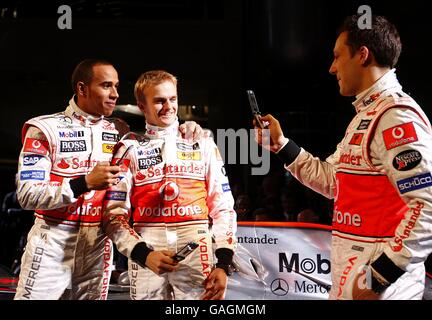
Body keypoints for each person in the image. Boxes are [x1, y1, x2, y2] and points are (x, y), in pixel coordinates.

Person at [254, 14, 432, 300]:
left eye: (337, 56)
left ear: (362, 55)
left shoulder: (395, 117)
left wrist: (379, 277)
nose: (332, 67)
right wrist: (282, 144)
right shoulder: (367, 116)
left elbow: (427, 206)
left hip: (384, 290)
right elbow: (333, 181)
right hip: (354, 283)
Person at [15, 60, 201, 300]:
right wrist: (84, 183)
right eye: (106, 86)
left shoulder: (121, 131)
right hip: (51, 241)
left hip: (98, 244)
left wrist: (186, 129)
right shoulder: (43, 128)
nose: (115, 94)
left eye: (116, 86)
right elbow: (27, 195)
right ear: (82, 89)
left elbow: (158, 136)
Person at [102, 70, 237, 300]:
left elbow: (223, 206)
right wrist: (143, 254)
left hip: (196, 246)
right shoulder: (128, 148)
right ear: (142, 106)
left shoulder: (201, 140)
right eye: (159, 101)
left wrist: (223, 263)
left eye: (172, 99)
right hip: (147, 249)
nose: (168, 107)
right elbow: (113, 215)